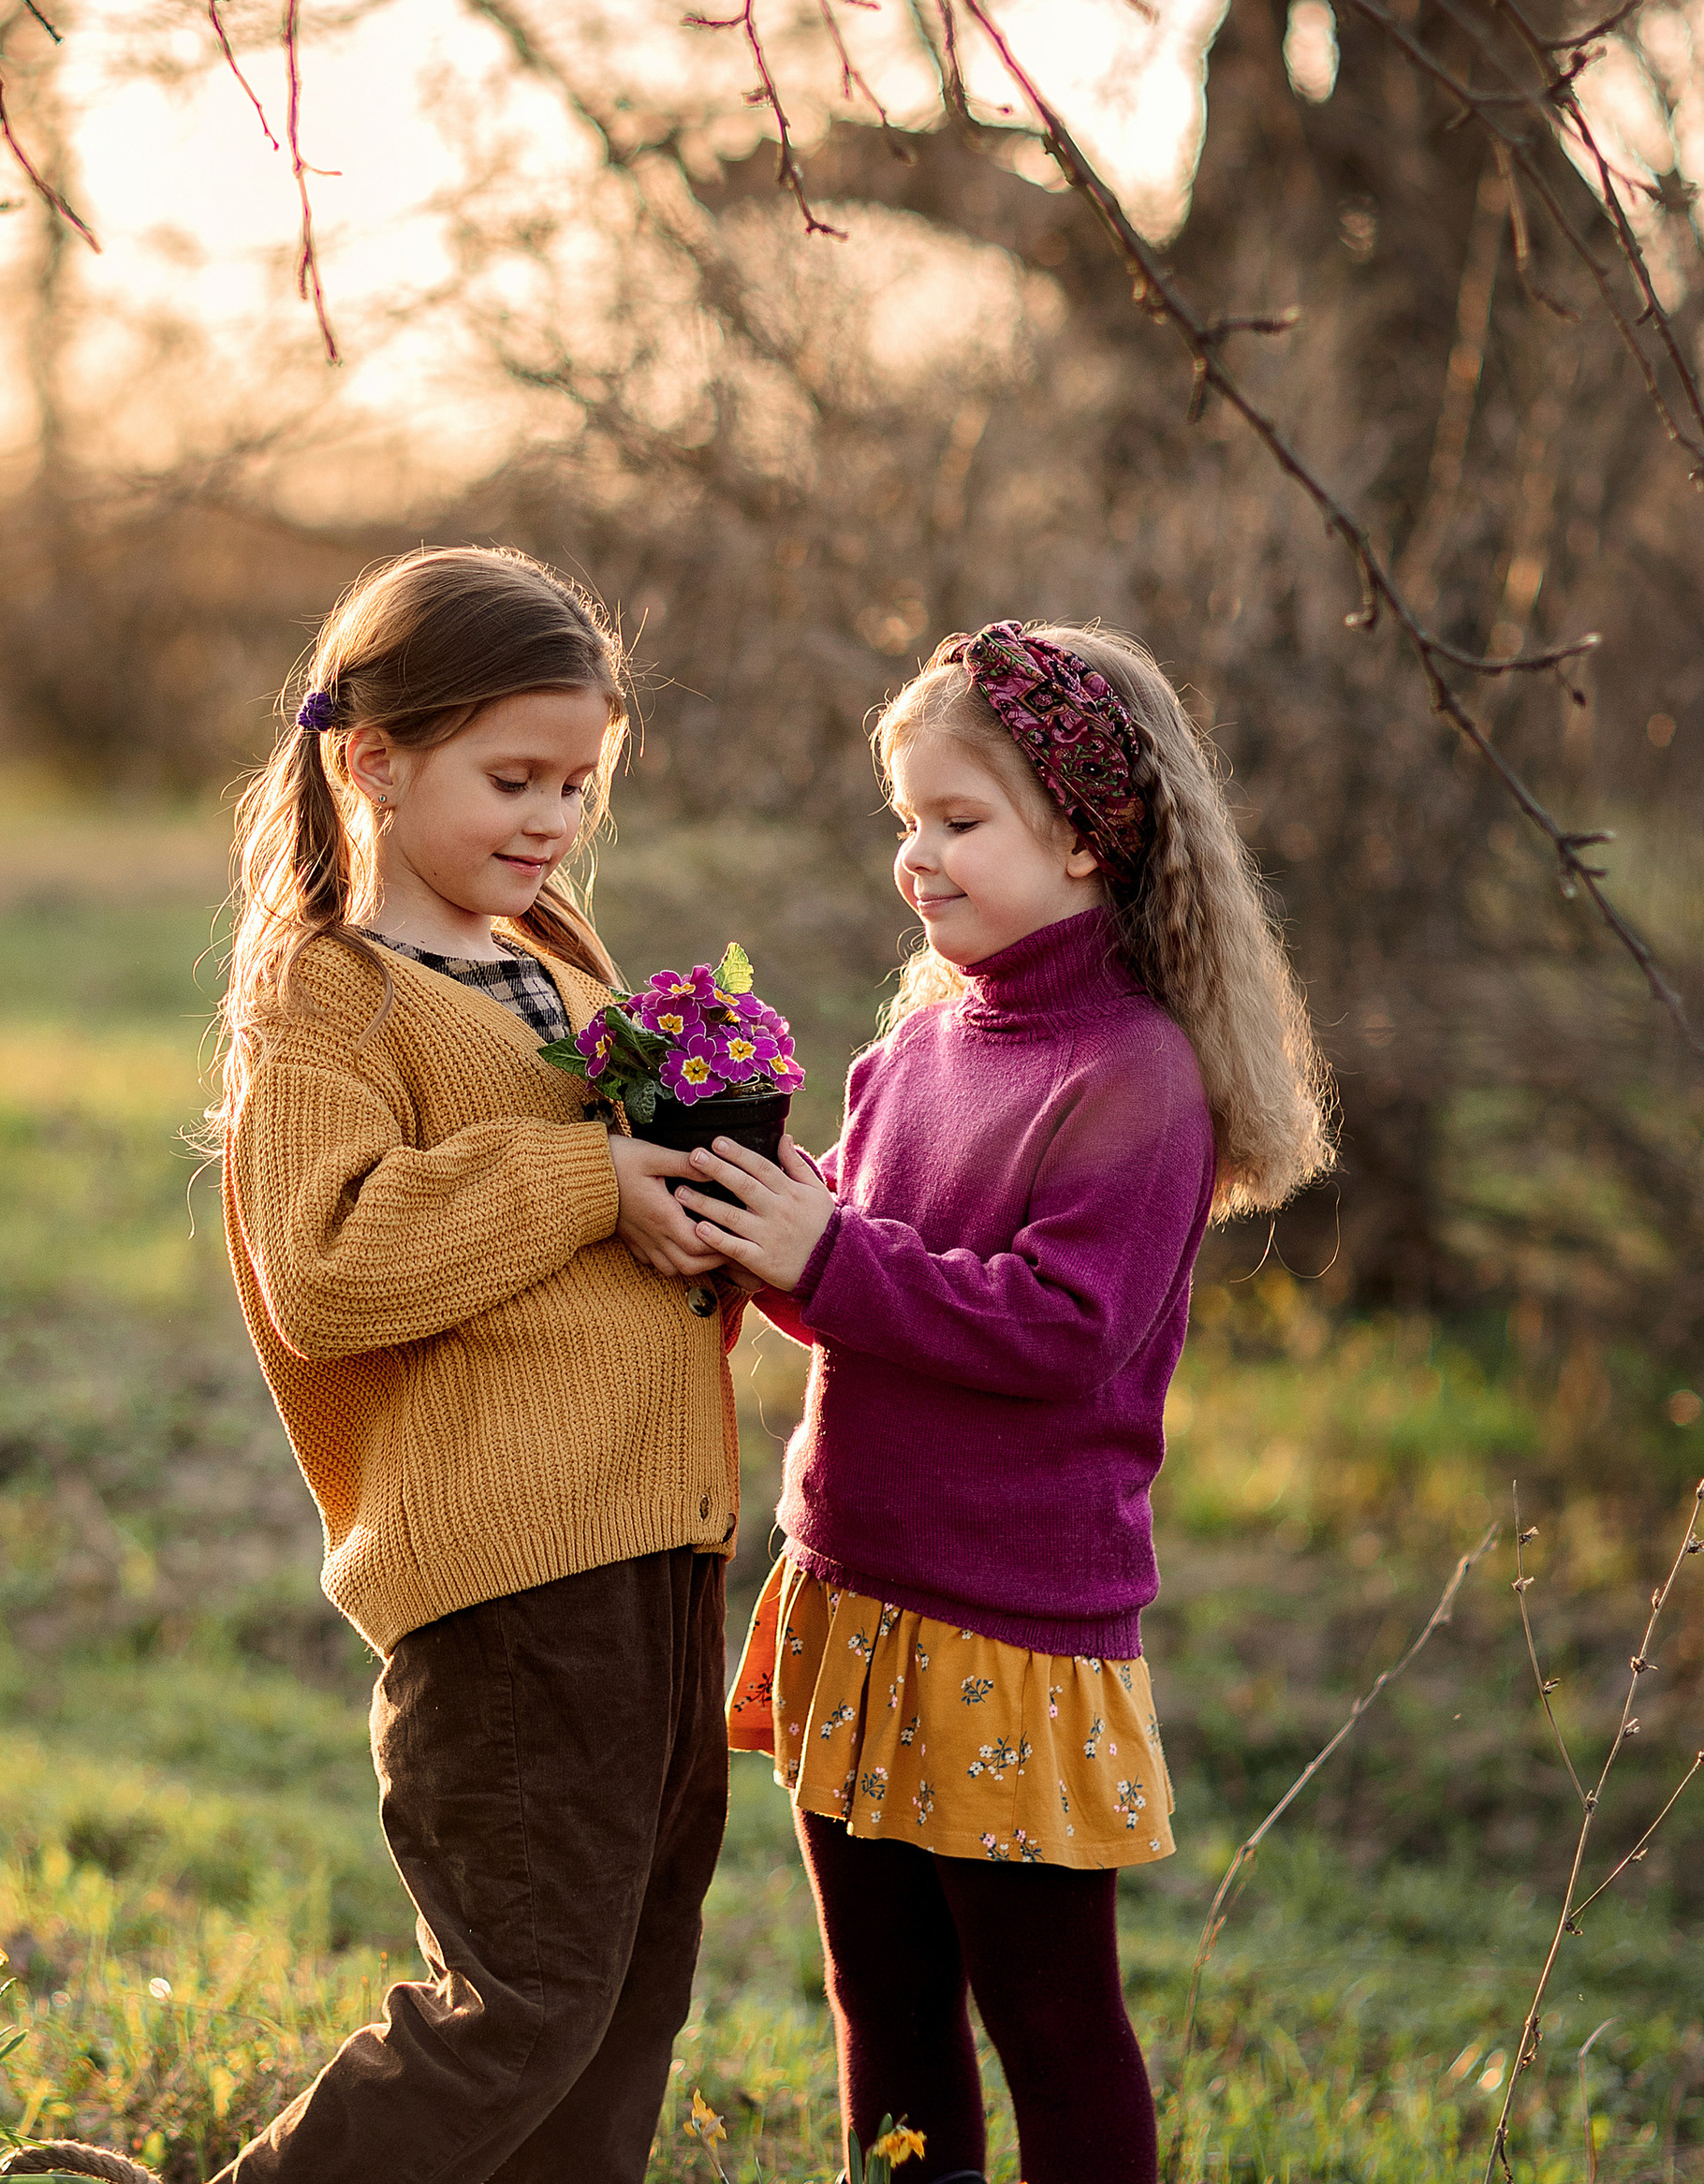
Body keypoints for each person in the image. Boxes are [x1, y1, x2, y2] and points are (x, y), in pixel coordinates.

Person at [688, 622, 1332, 2184]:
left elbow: (1061, 1330)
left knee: (1048, 2019)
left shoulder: (1135, 1079)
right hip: (853, 1591)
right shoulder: (916, 1045)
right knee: (881, 1997)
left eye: (957, 821)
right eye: (905, 819)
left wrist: (825, 1250)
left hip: (1009, 1630)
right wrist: (733, 1213)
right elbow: (841, 1269)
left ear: (1091, 838)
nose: (917, 856)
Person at [205, 546, 738, 2184]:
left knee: (627, 2000)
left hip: (655, 1550)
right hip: (511, 1581)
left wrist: (714, 1186)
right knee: (521, 2003)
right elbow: (331, 1265)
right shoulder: (335, 994)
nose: (552, 819)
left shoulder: (558, 962)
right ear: (370, 760)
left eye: (578, 784)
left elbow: (604, 1230)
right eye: (513, 778)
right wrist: (590, 1177)